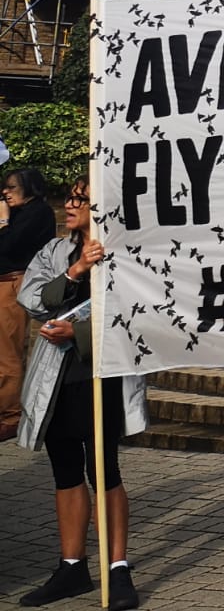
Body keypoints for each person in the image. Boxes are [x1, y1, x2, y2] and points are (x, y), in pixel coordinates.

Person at [18, 173, 147, 610]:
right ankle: (72, 567)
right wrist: (74, 271)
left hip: (100, 375)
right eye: (71, 197)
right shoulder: (55, 251)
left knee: (105, 471)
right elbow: (32, 298)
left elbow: (135, 316)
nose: (69, 205)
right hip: (56, 378)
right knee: (66, 471)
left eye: (81, 200)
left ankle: (118, 568)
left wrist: (80, 332)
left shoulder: (124, 255)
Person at [2, 168, 57, 443]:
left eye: (11, 187)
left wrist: (2, 223)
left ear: (29, 187)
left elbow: (9, 247)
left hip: (13, 282)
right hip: (6, 281)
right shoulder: (21, 214)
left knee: (7, 353)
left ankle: (10, 416)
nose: (5, 191)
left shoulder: (38, 213)